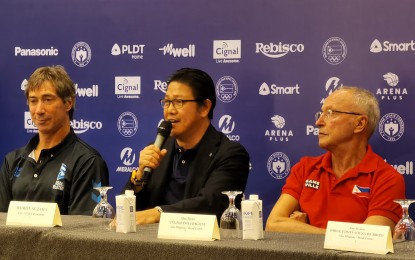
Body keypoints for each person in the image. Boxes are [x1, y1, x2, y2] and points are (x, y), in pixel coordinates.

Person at [266, 86, 405, 234]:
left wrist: (303, 231)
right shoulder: (305, 168)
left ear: (359, 124)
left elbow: (370, 239)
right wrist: (344, 235)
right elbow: (273, 224)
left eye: (330, 113)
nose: (318, 122)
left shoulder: (387, 179)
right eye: (321, 113)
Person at [125, 68, 250, 224]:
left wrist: (159, 213)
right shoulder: (158, 149)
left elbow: (210, 205)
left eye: (179, 102)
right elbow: (128, 212)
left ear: (205, 107)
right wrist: (139, 178)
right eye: (167, 102)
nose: (170, 110)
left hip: (203, 246)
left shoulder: (230, 154)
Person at [0, 65, 109, 215]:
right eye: (33, 101)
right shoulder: (12, 161)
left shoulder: (87, 162)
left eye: (47, 99)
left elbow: (84, 233)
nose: (39, 110)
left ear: (68, 103)